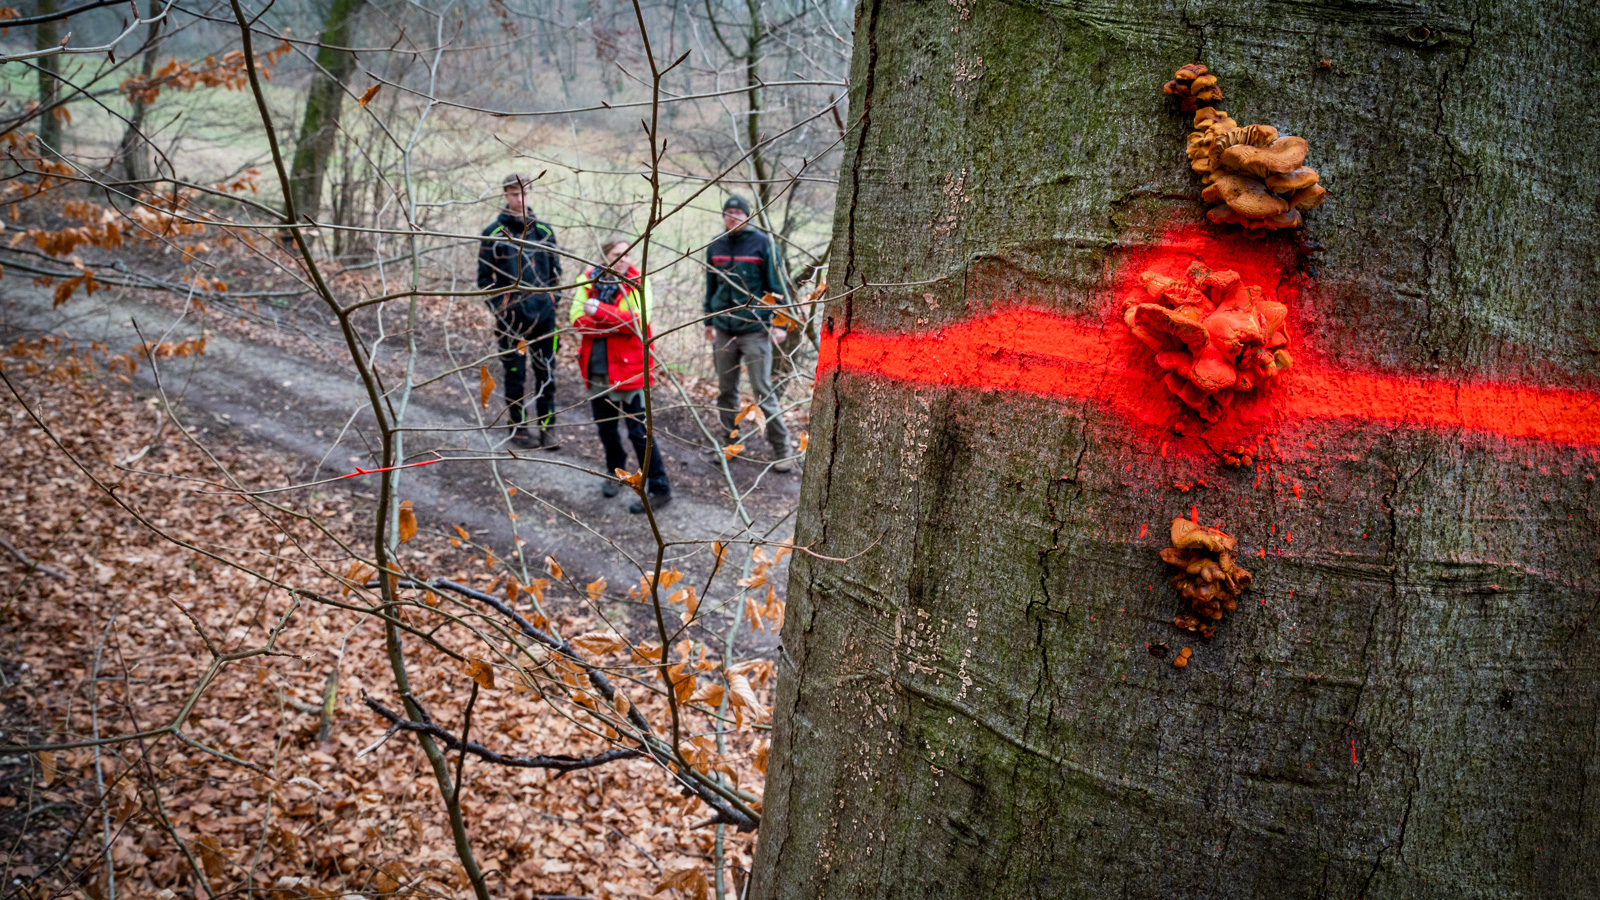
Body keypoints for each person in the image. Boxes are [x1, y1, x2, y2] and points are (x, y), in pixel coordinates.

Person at [571, 239, 672, 513]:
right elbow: (577, 319)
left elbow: (638, 322)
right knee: (606, 428)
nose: (624, 259)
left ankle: (660, 488)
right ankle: (615, 473)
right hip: (596, 369)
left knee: (639, 433)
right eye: (617, 254)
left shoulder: (638, 282)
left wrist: (600, 311)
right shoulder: (587, 279)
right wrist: (615, 324)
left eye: (627, 253)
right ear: (605, 257)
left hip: (630, 371)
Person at [703, 195, 792, 472]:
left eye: (737, 213)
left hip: (755, 329)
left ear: (748, 216)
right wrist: (708, 319)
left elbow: (777, 286)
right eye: (727, 213)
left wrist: (781, 323)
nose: (732, 217)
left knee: (763, 391)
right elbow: (710, 285)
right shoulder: (715, 245)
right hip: (722, 328)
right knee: (726, 391)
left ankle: (783, 449)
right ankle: (730, 443)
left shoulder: (764, 244)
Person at [478, 172, 563, 450]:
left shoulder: (545, 232)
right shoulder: (492, 233)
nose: (520, 198)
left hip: (544, 320)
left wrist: (553, 300)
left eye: (525, 193)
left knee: (546, 374)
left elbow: (556, 274)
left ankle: (548, 429)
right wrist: (501, 308)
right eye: (515, 193)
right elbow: (484, 280)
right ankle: (518, 427)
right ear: (505, 195)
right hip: (510, 321)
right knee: (515, 375)